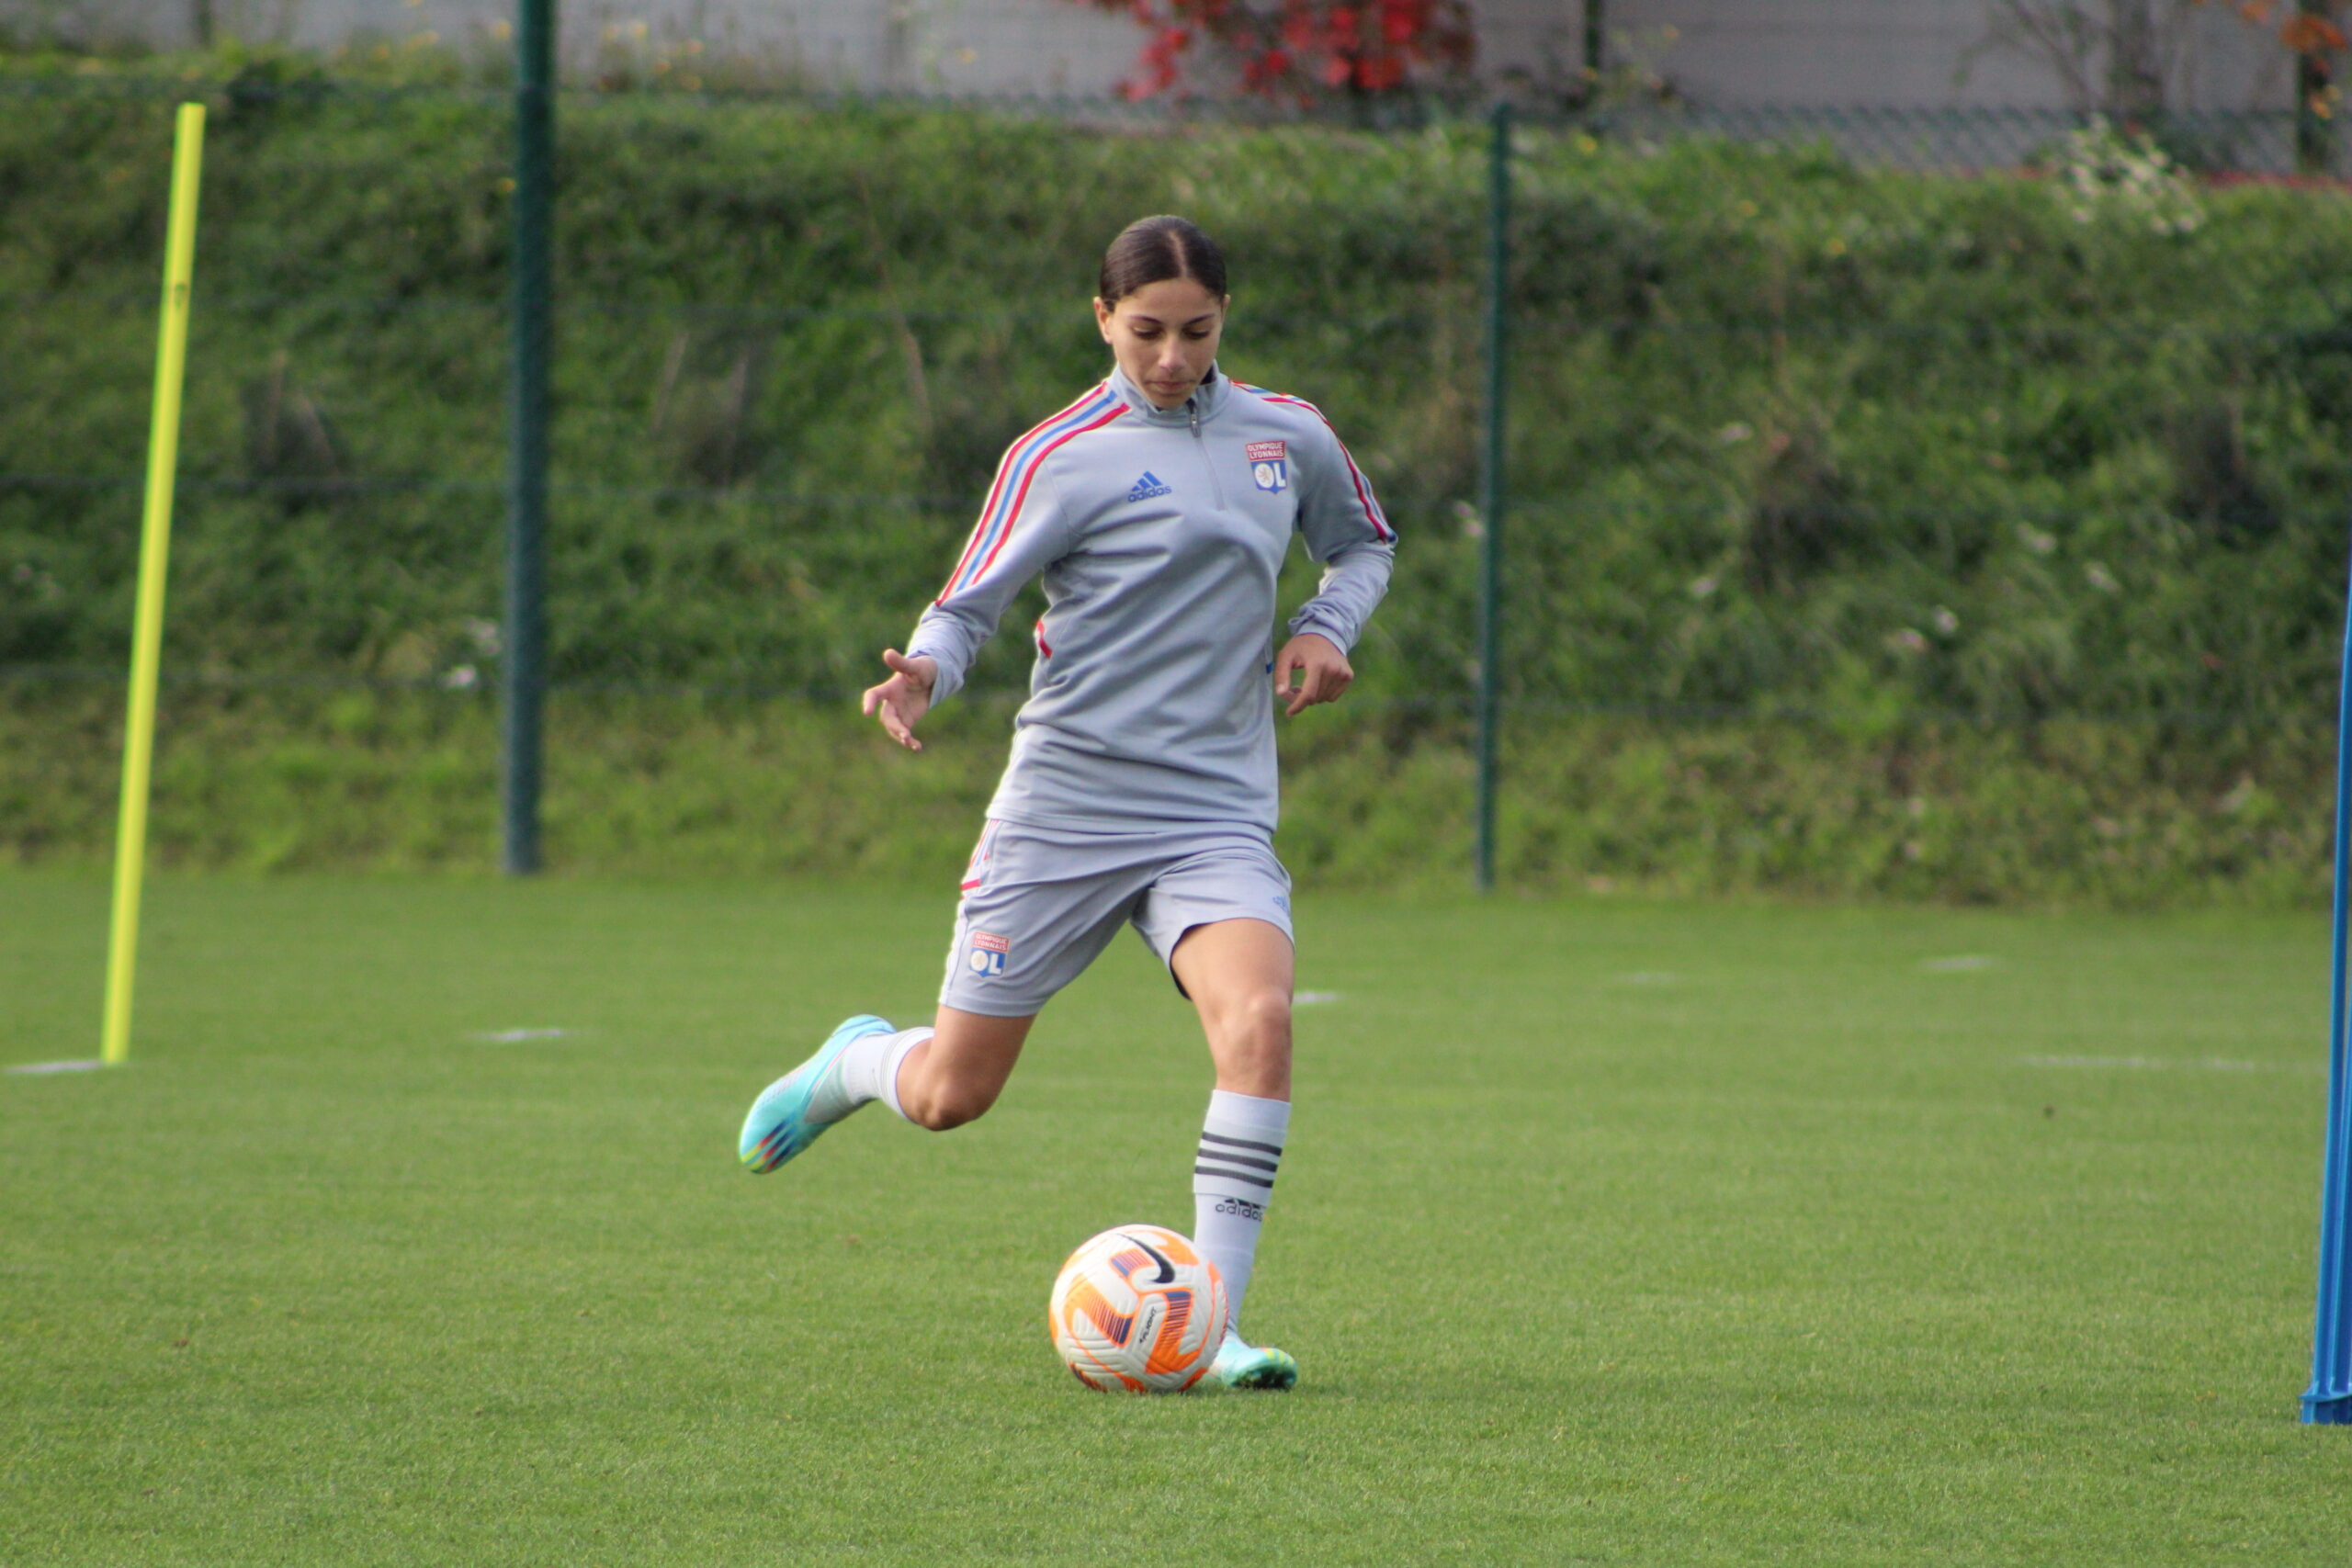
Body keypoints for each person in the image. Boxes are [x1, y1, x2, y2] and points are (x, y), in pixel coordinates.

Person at [736, 214, 1395, 1391]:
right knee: (951, 1097)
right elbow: (968, 600)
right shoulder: (1060, 452)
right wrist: (924, 672)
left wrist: (1321, 628)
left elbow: (1364, 548)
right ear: (1102, 319)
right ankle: (853, 1066)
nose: (1172, 358)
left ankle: (1213, 1325)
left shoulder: (1287, 435)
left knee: (1261, 1024)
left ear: (1224, 319)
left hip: (1213, 808)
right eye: (1145, 332)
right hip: (1066, 807)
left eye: (1197, 332)